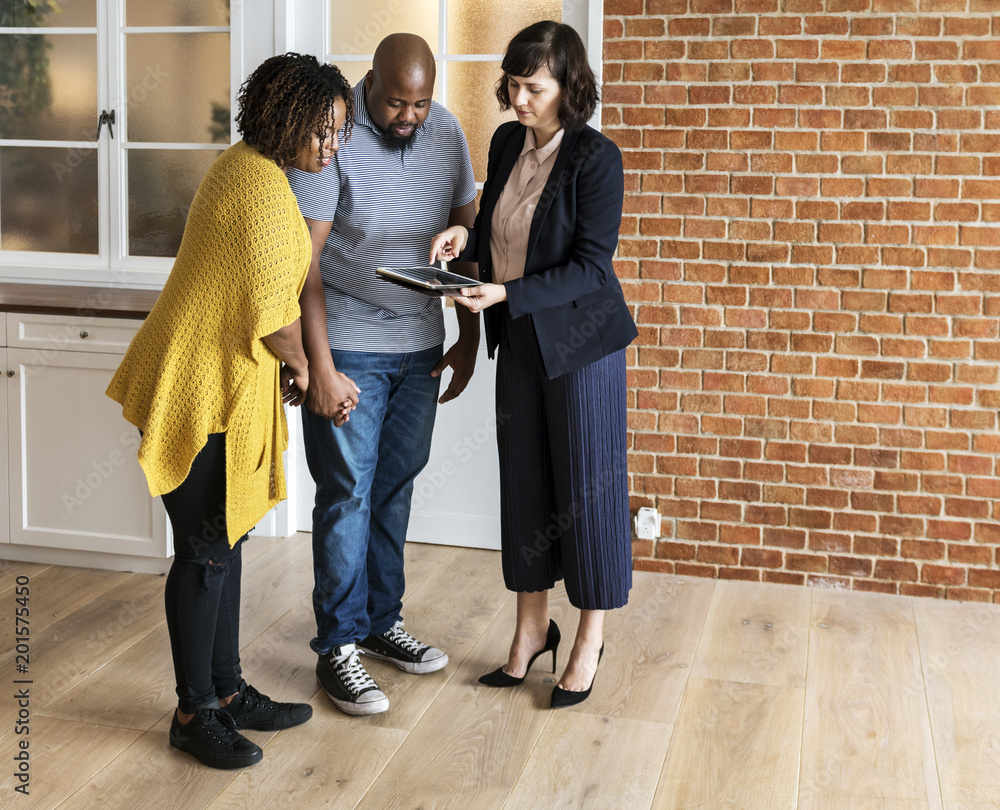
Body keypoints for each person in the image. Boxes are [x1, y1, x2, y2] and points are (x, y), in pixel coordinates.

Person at [106, 53, 353, 768]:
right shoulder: (260, 191)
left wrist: (300, 369)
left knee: (225, 539)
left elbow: (266, 308)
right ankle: (193, 713)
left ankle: (226, 691)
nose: (330, 145)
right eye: (324, 130)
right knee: (207, 553)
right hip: (199, 388)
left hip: (218, 383)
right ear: (287, 118)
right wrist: (311, 373)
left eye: (339, 133)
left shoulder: (251, 170)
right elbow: (275, 319)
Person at [429, 21, 638, 709]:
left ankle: (589, 636)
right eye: (513, 85)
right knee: (524, 487)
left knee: (587, 491)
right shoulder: (504, 141)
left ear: (568, 87)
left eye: (534, 87)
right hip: (516, 337)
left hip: (581, 350)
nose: (518, 99)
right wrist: (467, 238)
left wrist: (506, 292)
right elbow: (499, 222)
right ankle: (530, 630)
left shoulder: (596, 159)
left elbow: (589, 267)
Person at [287, 33, 479, 716]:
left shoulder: (447, 130)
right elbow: (302, 267)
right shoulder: (332, 135)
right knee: (346, 494)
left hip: (421, 346)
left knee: (394, 488)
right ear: (370, 85)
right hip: (351, 346)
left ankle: (378, 622)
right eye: (397, 103)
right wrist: (320, 366)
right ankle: (337, 645)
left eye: (420, 103)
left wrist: (466, 335)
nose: (410, 116)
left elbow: (465, 234)